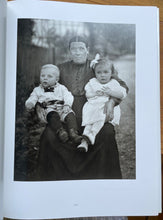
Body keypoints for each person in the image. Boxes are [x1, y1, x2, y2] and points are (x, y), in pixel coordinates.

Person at [38, 36, 129, 180]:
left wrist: (111, 102)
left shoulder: (95, 66)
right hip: (67, 114)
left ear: (88, 50)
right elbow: (45, 87)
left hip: (93, 113)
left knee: (107, 133)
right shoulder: (61, 68)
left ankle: (103, 180)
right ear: (69, 51)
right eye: (73, 49)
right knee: (49, 135)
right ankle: (52, 181)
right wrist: (40, 106)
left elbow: (122, 86)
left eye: (81, 48)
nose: (77, 52)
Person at [77, 58, 127, 152]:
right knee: (89, 123)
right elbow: (87, 94)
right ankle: (84, 142)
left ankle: (91, 136)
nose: (102, 75)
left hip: (106, 108)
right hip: (93, 106)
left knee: (100, 118)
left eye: (105, 72)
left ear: (111, 73)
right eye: (99, 72)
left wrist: (111, 92)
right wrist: (95, 94)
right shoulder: (92, 82)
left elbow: (121, 95)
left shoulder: (113, 83)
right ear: (95, 73)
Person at [25, 64, 81, 144]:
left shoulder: (61, 88)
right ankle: (61, 132)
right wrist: (30, 103)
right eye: (43, 75)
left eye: (49, 76)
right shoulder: (37, 90)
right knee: (52, 115)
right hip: (49, 109)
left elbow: (68, 96)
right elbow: (33, 97)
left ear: (56, 79)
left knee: (70, 114)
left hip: (62, 108)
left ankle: (73, 133)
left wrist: (67, 105)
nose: (45, 78)